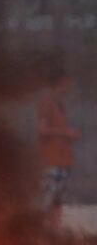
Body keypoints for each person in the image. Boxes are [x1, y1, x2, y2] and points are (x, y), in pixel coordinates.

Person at [38, 72, 80, 226]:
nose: (69, 87)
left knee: (58, 202)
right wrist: (66, 132)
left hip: (64, 161)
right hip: (52, 161)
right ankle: (42, 237)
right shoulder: (46, 103)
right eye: (67, 83)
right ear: (59, 83)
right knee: (48, 200)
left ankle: (55, 236)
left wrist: (70, 134)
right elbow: (42, 130)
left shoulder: (60, 105)